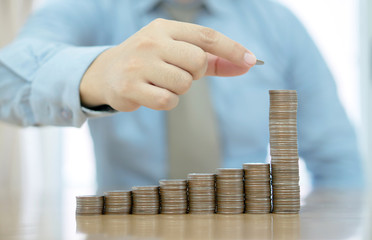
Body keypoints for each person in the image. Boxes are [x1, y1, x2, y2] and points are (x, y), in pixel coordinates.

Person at [0, 0, 365, 191]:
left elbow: (339, 163)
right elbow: (6, 79)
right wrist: (97, 71)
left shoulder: (279, 23)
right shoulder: (90, 7)